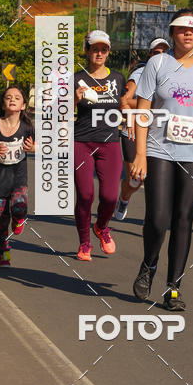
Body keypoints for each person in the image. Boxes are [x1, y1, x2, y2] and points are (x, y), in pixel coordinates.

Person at [130, 9, 193, 311]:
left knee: (183, 219)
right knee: (157, 218)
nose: (188, 34)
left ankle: (173, 288)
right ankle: (149, 264)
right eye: (182, 29)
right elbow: (143, 110)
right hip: (159, 149)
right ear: (172, 33)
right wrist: (140, 153)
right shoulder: (158, 63)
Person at [73, 30, 127, 261]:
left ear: (108, 52)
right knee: (85, 195)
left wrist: (134, 121)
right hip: (81, 142)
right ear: (86, 51)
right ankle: (85, 243)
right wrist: (73, 99)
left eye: (103, 49)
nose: (99, 53)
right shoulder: (76, 78)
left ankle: (101, 227)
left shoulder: (117, 78)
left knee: (110, 197)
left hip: (110, 142)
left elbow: (124, 105)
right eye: (94, 49)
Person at [0, 87, 36, 266]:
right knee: (2, 218)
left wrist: (32, 148)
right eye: (8, 97)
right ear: (3, 103)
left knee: (19, 208)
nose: (12, 99)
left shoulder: (27, 127)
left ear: (23, 105)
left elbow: (37, 146)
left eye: (17, 98)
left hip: (18, 176)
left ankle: (18, 220)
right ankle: (3, 250)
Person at [114, 37, 170, 221]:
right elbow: (123, 100)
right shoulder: (141, 73)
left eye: (164, 53)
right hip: (134, 132)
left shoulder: (172, 75)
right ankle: (124, 198)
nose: (160, 56)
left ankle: (155, 217)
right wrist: (131, 115)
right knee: (135, 180)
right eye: (156, 53)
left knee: (157, 180)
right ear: (150, 55)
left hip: (158, 134)